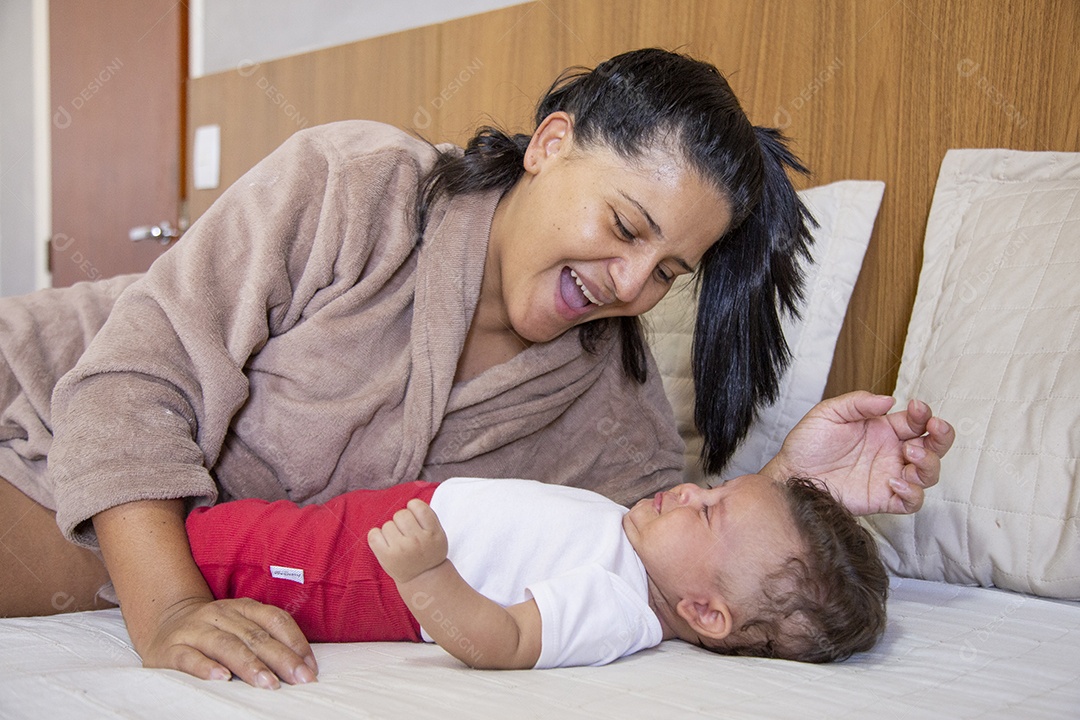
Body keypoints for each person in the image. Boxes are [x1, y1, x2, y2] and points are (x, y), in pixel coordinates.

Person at [0, 48, 954, 688]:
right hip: (43, 395)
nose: (628, 284)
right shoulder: (356, 183)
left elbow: (666, 546)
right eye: (624, 226)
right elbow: (133, 385)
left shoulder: (603, 388)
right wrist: (168, 612)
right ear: (551, 144)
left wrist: (792, 489)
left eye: (667, 272)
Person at [186, 474, 887, 671]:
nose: (691, 491)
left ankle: (152, 568)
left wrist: (425, 574)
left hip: (371, 575)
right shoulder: (638, 549)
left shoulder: (617, 607)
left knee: (224, 551)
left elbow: (505, 643)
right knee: (256, 525)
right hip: (396, 523)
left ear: (704, 612)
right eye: (713, 488)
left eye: (706, 515)